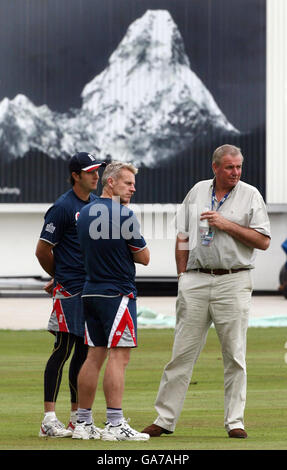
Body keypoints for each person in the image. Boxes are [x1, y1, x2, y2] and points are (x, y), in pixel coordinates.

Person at [142, 144, 271, 439]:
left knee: (234, 355)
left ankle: (235, 421)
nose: (236, 172)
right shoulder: (198, 191)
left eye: (239, 167)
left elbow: (263, 241)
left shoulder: (251, 195)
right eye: (229, 167)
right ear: (215, 167)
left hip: (234, 279)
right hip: (196, 280)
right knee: (181, 354)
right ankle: (164, 419)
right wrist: (182, 276)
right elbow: (183, 235)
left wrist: (226, 224)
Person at [72, 161, 150, 441]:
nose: (133, 188)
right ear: (111, 183)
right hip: (117, 293)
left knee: (94, 356)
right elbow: (144, 257)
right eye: (128, 183)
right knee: (119, 356)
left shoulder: (82, 214)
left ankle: (83, 423)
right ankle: (115, 424)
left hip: (90, 291)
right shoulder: (124, 214)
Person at [35, 152, 106, 437]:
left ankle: (78, 418)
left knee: (83, 352)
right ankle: (48, 419)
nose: (96, 175)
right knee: (62, 349)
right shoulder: (62, 207)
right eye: (90, 171)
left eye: (97, 171)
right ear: (76, 175)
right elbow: (42, 250)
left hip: (91, 289)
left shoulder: (99, 205)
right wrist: (59, 275)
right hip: (69, 290)